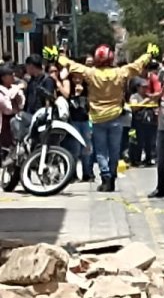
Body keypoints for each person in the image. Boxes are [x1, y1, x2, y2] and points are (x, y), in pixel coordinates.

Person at [51, 43, 156, 192]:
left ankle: (105, 177)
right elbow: (137, 65)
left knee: (101, 151)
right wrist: (148, 54)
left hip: (98, 118)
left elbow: (72, 65)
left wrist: (57, 57)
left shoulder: (91, 73)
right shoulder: (120, 72)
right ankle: (112, 176)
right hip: (115, 117)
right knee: (114, 150)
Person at [61, 71, 92, 182]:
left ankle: (87, 173)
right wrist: (76, 95)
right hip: (73, 121)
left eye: (80, 78)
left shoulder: (87, 90)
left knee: (87, 148)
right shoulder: (68, 91)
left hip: (85, 121)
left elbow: (88, 106)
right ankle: (72, 174)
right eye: (75, 78)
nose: (78, 80)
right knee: (74, 149)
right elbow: (72, 106)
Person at [128, 79, 158, 169]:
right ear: (138, 87)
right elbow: (134, 108)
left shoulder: (148, 96)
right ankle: (136, 160)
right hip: (138, 122)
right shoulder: (134, 96)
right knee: (138, 141)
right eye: (143, 87)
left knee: (150, 141)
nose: (145, 89)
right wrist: (145, 101)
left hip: (149, 122)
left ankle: (149, 158)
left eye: (146, 87)